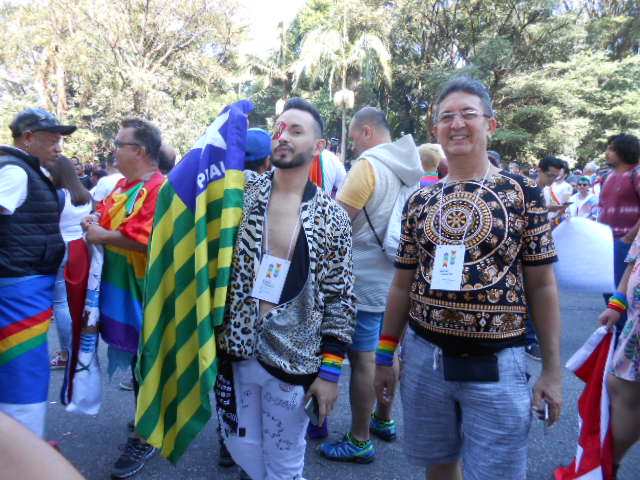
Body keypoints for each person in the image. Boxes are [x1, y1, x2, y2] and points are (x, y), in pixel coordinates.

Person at [374, 77, 563, 480]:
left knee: (496, 473)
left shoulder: (523, 193)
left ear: (490, 125)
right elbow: (401, 284)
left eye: (468, 115)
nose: (457, 124)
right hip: (425, 358)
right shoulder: (420, 200)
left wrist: (551, 370)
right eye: (447, 117)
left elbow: (543, 284)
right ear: (436, 131)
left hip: (497, 363)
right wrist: (385, 356)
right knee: (439, 464)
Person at [216, 97, 355, 480]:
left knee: (285, 465)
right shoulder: (242, 194)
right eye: (279, 129)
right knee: (242, 449)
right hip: (237, 352)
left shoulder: (332, 217)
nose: (283, 136)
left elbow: (340, 298)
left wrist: (329, 374)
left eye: (296, 131)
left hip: (294, 361)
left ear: (319, 146)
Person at [320, 107, 422, 463]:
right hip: (396, 277)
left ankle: (360, 438)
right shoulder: (413, 168)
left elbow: (337, 222)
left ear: (366, 132)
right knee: (387, 352)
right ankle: (384, 418)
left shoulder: (368, 166)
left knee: (362, 358)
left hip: (362, 278)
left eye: (354, 134)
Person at [82, 118, 166, 479]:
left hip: (148, 293)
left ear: (140, 151)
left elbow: (146, 239)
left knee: (147, 362)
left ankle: (146, 434)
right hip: (122, 290)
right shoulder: (124, 187)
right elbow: (103, 218)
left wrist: (102, 235)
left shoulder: (160, 189)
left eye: (119, 143)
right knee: (137, 364)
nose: (113, 149)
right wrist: (93, 225)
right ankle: (145, 421)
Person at [0, 108, 74, 436]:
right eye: (53, 140)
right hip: (19, 287)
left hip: (26, 283)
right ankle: (26, 454)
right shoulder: (14, 172)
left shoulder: (26, 169)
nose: (59, 147)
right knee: (23, 373)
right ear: (28, 138)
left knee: (24, 369)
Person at [598, 227, 640, 478]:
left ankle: (606, 465)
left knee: (624, 389)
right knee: (621, 386)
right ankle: (606, 466)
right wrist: (616, 304)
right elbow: (633, 263)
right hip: (635, 325)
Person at [48, 155, 92, 370]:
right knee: (79, 301)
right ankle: (81, 348)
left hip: (60, 248)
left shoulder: (57, 196)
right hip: (80, 249)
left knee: (60, 303)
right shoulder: (85, 194)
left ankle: (67, 352)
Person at [598, 133, 640, 332]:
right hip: (605, 242)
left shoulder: (637, 174)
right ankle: (615, 334)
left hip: (627, 244)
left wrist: (629, 237)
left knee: (622, 291)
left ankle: (625, 336)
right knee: (608, 289)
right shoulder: (607, 177)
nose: (607, 152)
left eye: (612, 148)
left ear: (624, 151)